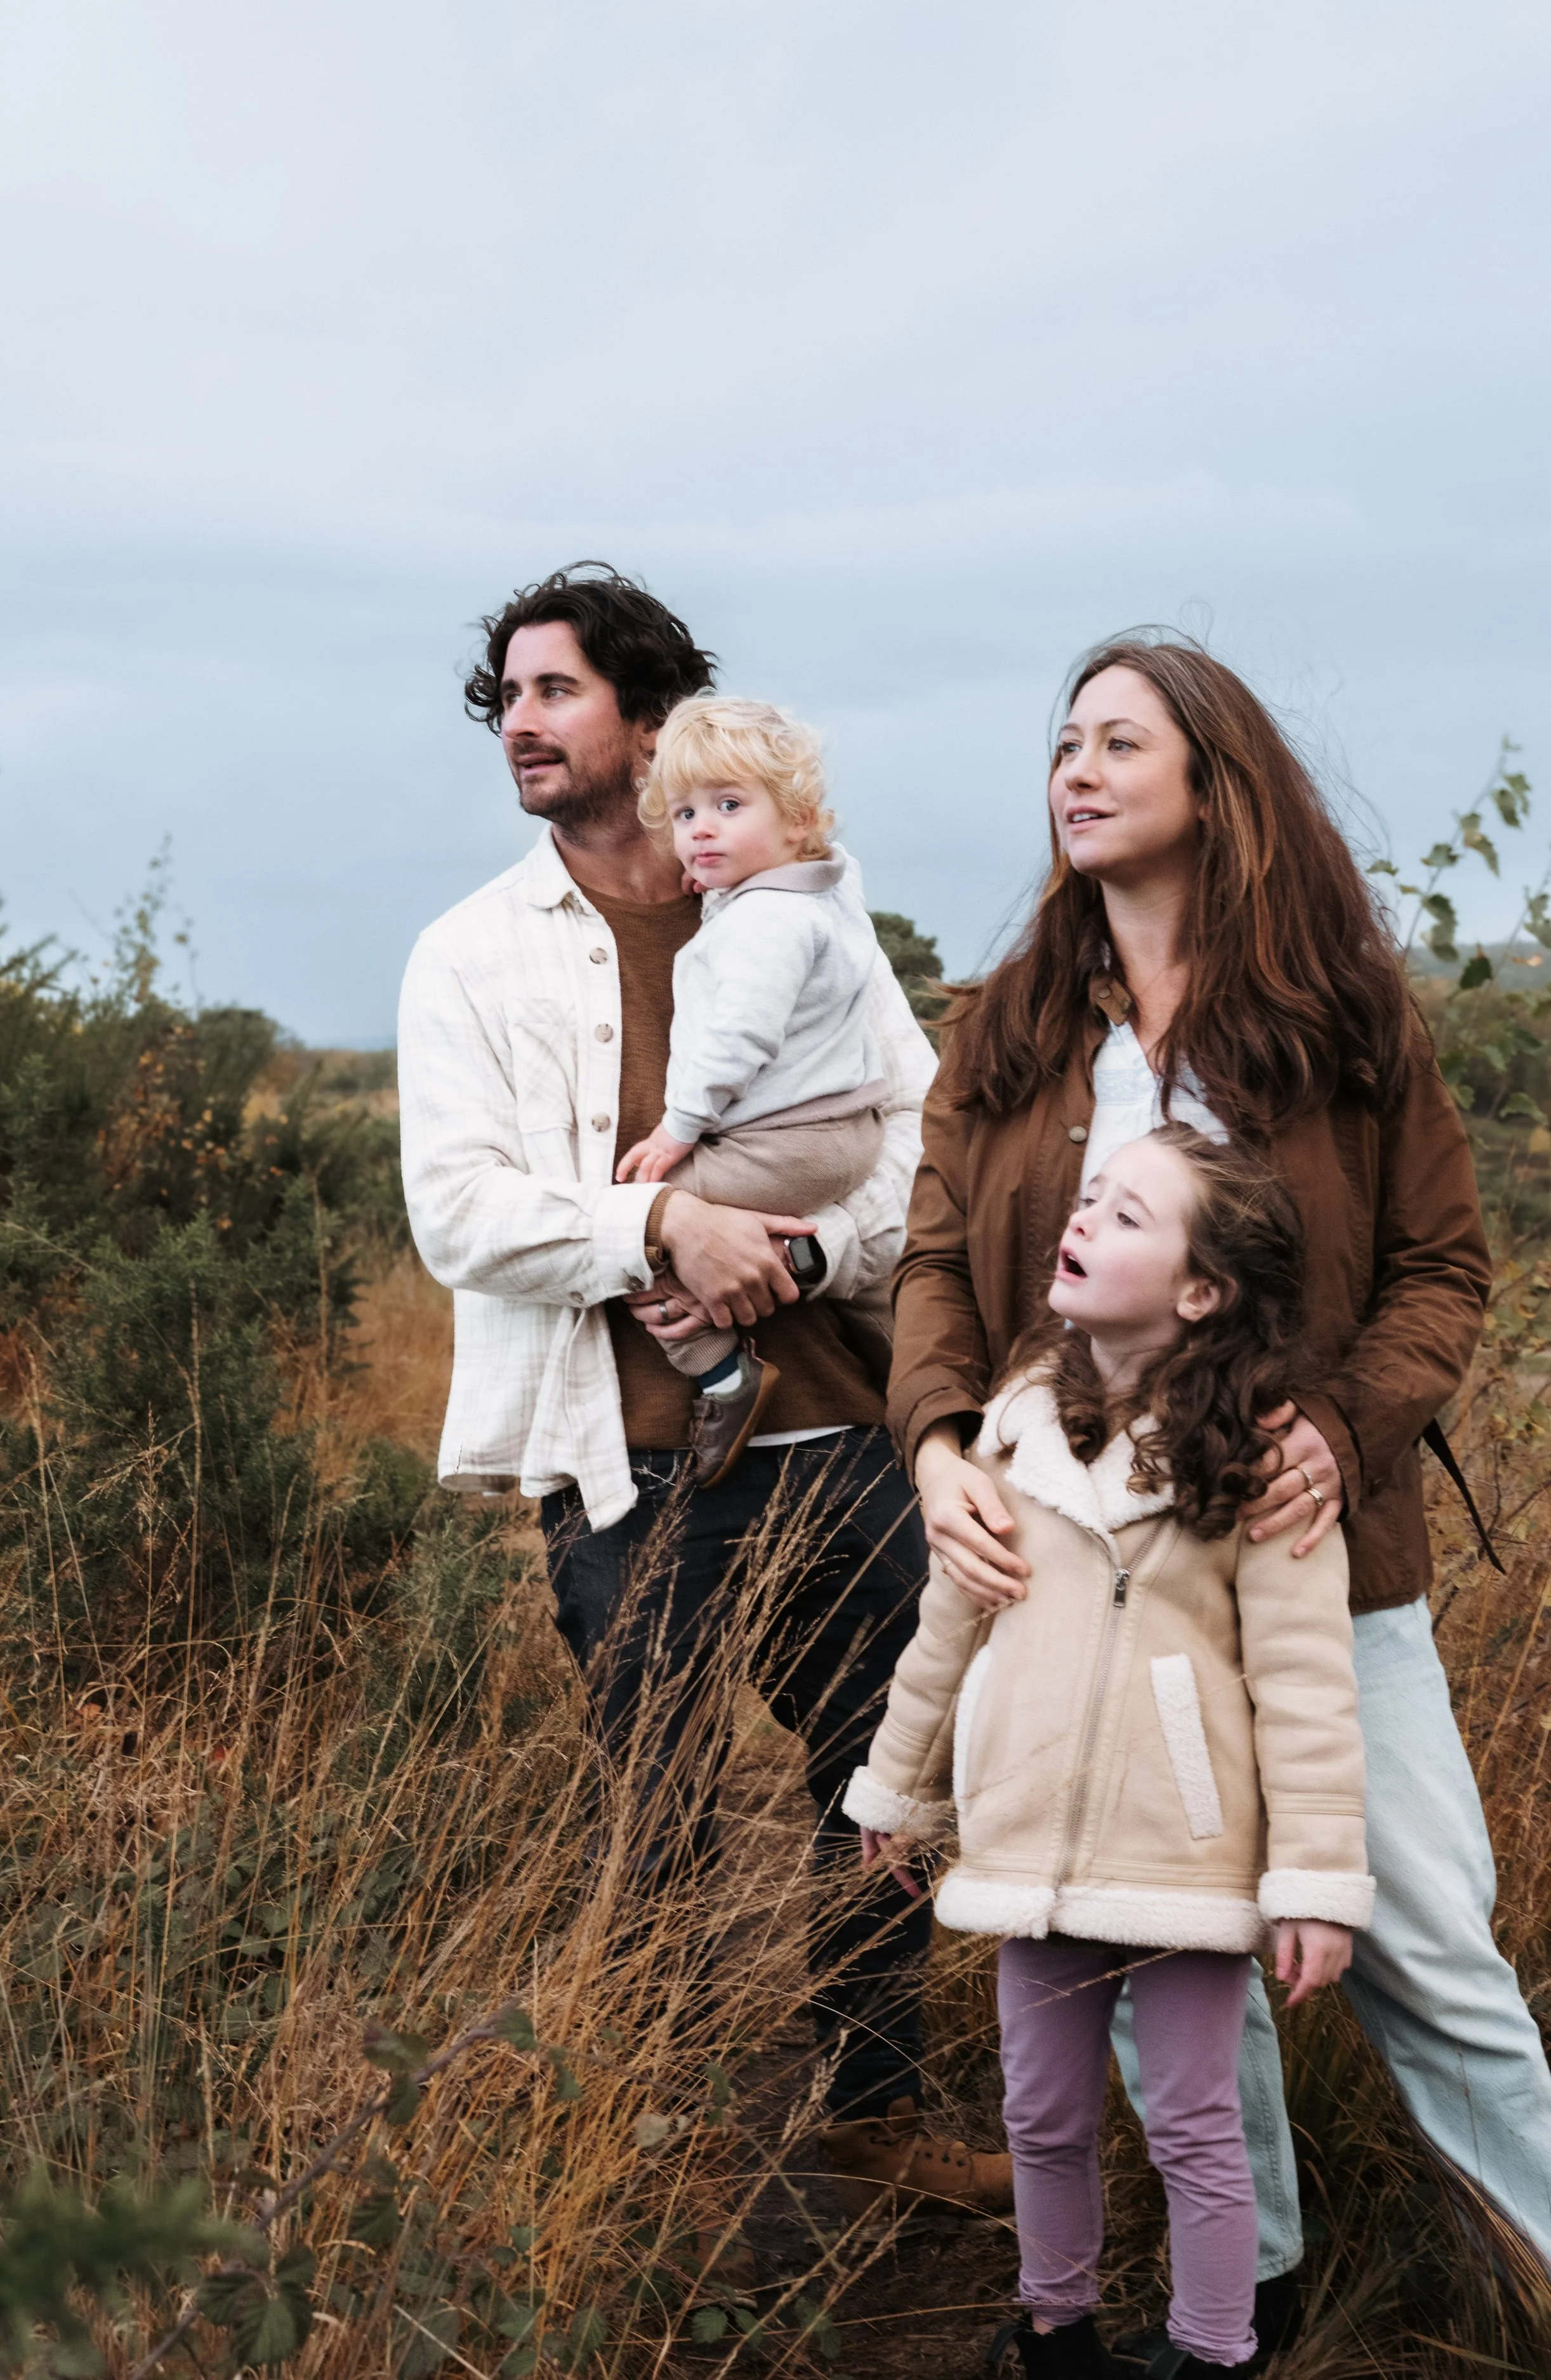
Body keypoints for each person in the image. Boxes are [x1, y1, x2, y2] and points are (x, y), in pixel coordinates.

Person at [888, 633, 1551, 2356]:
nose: (1076, 768)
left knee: (1426, 1950)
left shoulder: (1342, 1011)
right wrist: (940, 1441)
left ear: (1212, 778)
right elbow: (940, 1261)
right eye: (1062, 742)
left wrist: (1348, 1415)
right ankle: (1235, 2310)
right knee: (1156, 1971)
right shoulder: (1015, 1020)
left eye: (1120, 739)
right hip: (1083, 1574)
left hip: (1310, 1565)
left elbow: (1438, 1268)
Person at [397, 563, 1010, 2221]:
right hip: (618, 1458)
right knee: (654, 1798)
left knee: (882, 1776)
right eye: (507, 696)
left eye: (554, 692)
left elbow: (926, 1144)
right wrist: (663, 1218)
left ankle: (873, 2109)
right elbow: (452, 1210)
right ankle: (647, 2154)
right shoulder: (471, 954)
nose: (519, 722)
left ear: (648, 719)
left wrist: (803, 1259)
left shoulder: (794, 910)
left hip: (832, 1423)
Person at [848, 1125, 1373, 2376]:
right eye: (1087, 1199)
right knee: (1039, 2113)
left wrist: (1309, 1884)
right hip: (1031, 1838)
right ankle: (1054, 2331)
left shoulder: (1257, 1459)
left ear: (1201, 1292)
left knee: (1193, 2124)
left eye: (1127, 1214)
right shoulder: (1016, 1429)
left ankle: (1212, 2351)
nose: (1081, 1220)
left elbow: (1305, 1689)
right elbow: (947, 1622)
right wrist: (897, 1783)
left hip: (1183, 1861)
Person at [616, 692, 890, 1482]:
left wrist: (678, 1127)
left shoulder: (764, 922)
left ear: (798, 820)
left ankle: (720, 1367)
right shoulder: (820, 894)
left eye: (729, 806)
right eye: (684, 812)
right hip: (837, 1134)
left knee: (639, 1224)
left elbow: (740, 1036)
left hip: (788, 1140)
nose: (699, 829)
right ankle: (877, 1325)